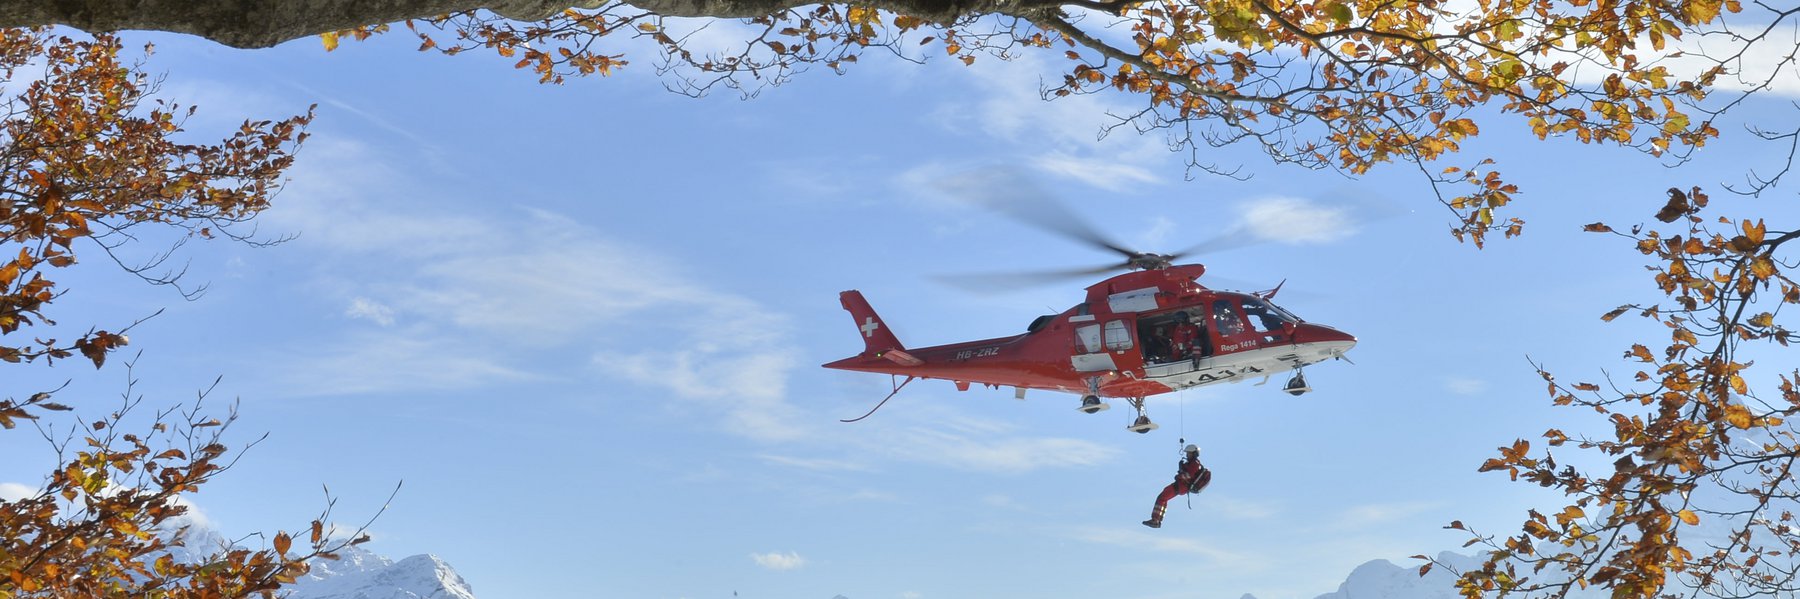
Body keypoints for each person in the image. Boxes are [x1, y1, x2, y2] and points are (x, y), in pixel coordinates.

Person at [1143, 444, 1211, 528]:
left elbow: (1189, 475)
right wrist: (1182, 467)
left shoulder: (1195, 464)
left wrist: (1179, 475)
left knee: (1162, 497)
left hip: (1182, 485)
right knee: (1163, 497)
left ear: (1194, 454)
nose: (1187, 455)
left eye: (1189, 453)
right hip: (1182, 486)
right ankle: (1157, 520)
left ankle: (1155, 520)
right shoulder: (1193, 463)